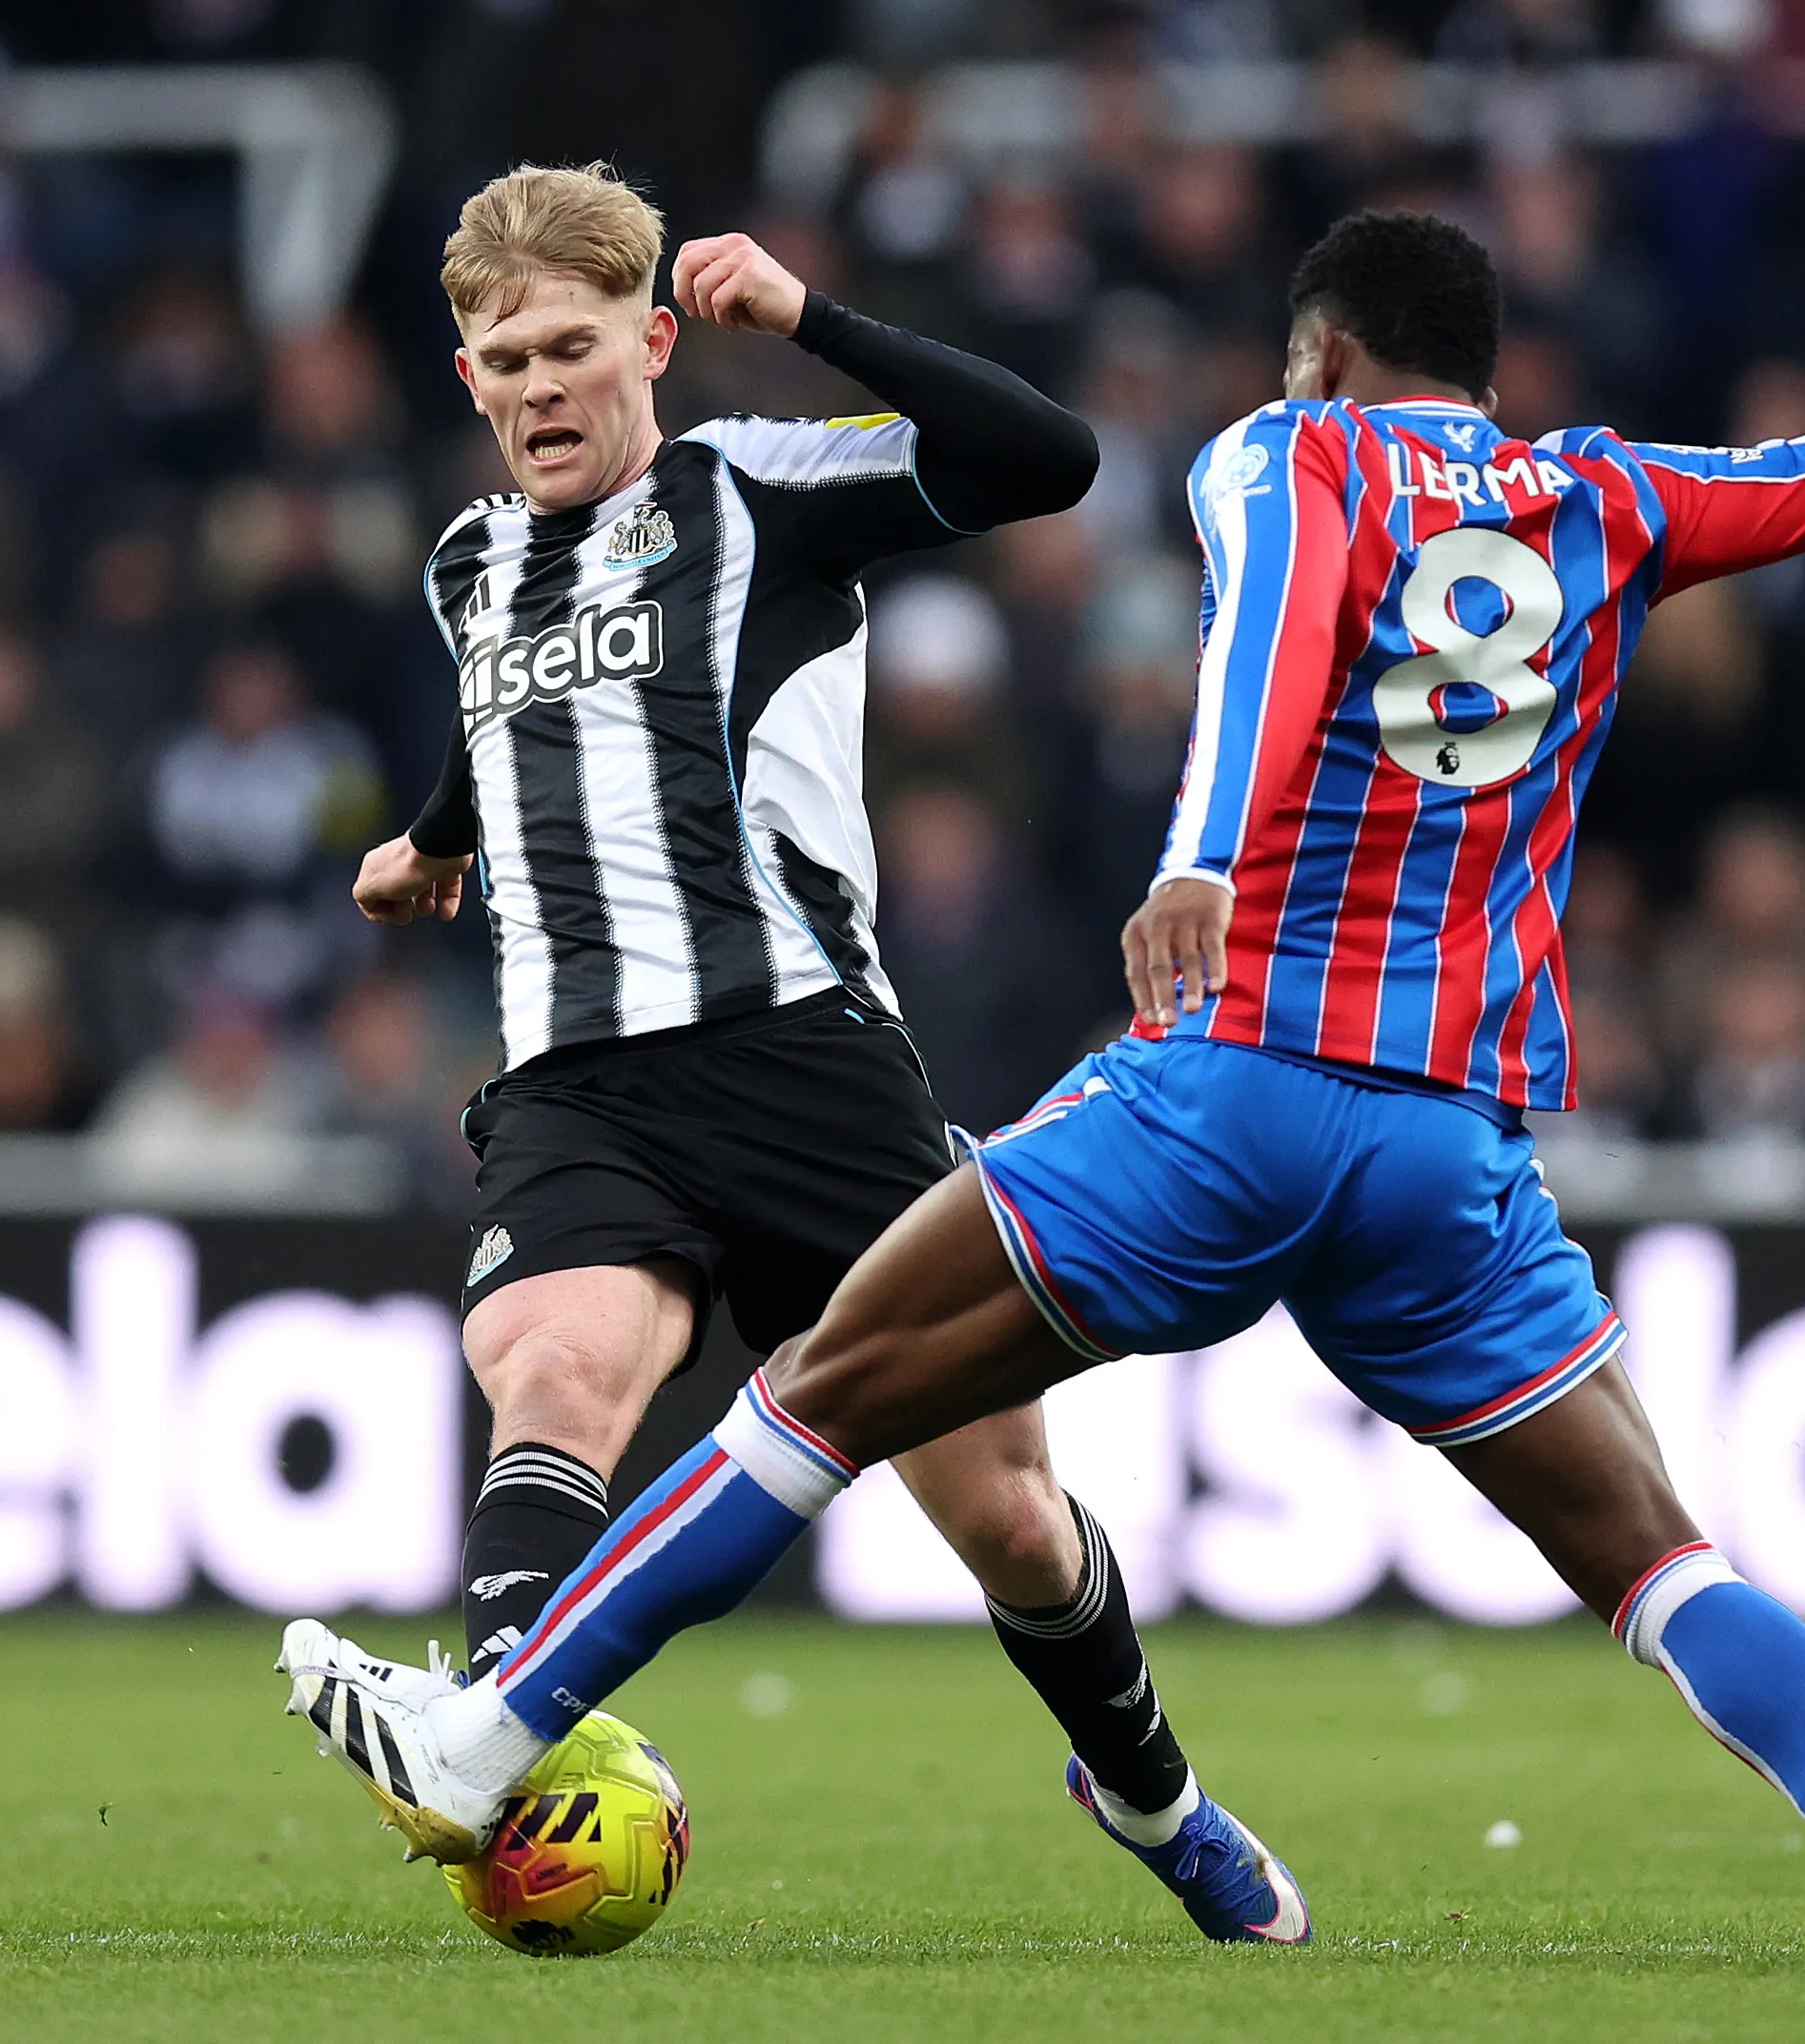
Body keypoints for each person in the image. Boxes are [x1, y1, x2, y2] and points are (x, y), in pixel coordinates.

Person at [285, 191, 1805, 1974]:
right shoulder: (1610, 499)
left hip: (1226, 1089)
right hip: (1452, 1151)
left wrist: (1200, 845)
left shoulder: (1287, 462)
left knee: (819, 1395)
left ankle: (493, 1732)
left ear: (1319, 358)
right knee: (1657, 1556)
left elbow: (1278, 630)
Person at [287, 164, 1302, 1945]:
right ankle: (501, 1724)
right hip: (577, 1078)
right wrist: (442, 836)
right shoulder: (468, 567)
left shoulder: (766, 487)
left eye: (572, 347)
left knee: (1006, 1521)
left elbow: (1043, 460)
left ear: (656, 341)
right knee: (554, 1364)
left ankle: (1157, 1798)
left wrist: (816, 322)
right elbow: (516, 720)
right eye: (503, 357)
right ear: (466, 379)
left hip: (809, 1067)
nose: (538, 386)